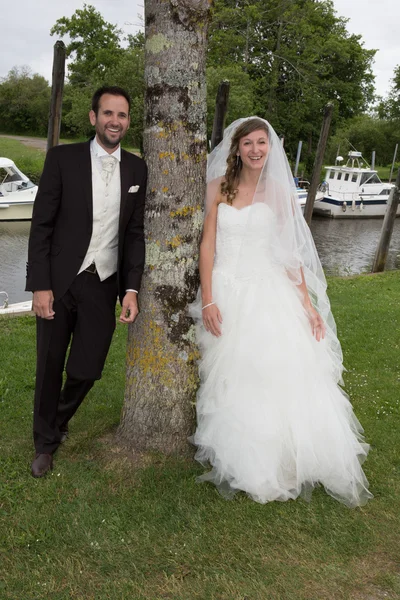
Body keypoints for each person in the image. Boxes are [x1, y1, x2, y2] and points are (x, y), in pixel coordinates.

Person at [189, 117, 372, 507]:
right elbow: (207, 245)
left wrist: (308, 305)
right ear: (236, 148)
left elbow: (290, 255)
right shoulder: (217, 188)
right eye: (248, 143)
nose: (255, 150)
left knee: (274, 372)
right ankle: (240, 453)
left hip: (267, 288)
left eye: (262, 143)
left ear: (271, 149)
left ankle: (281, 457)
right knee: (232, 376)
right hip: (225, 288)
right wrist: (208, 298)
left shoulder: (279, 193)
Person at [26, 86, 147, 478]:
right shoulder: (62, 159)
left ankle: (57, 419)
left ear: (129, 121)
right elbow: (41, 227)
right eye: (108, 113)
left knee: (88, 368)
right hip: (60, 281)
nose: (115, 121)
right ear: (94, 117)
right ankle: (45, 443)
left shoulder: (136, 169)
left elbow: (134, 233)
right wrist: (40, 285)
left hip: (104, 281)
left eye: (123, 115)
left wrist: (131, 287)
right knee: (49, 365)